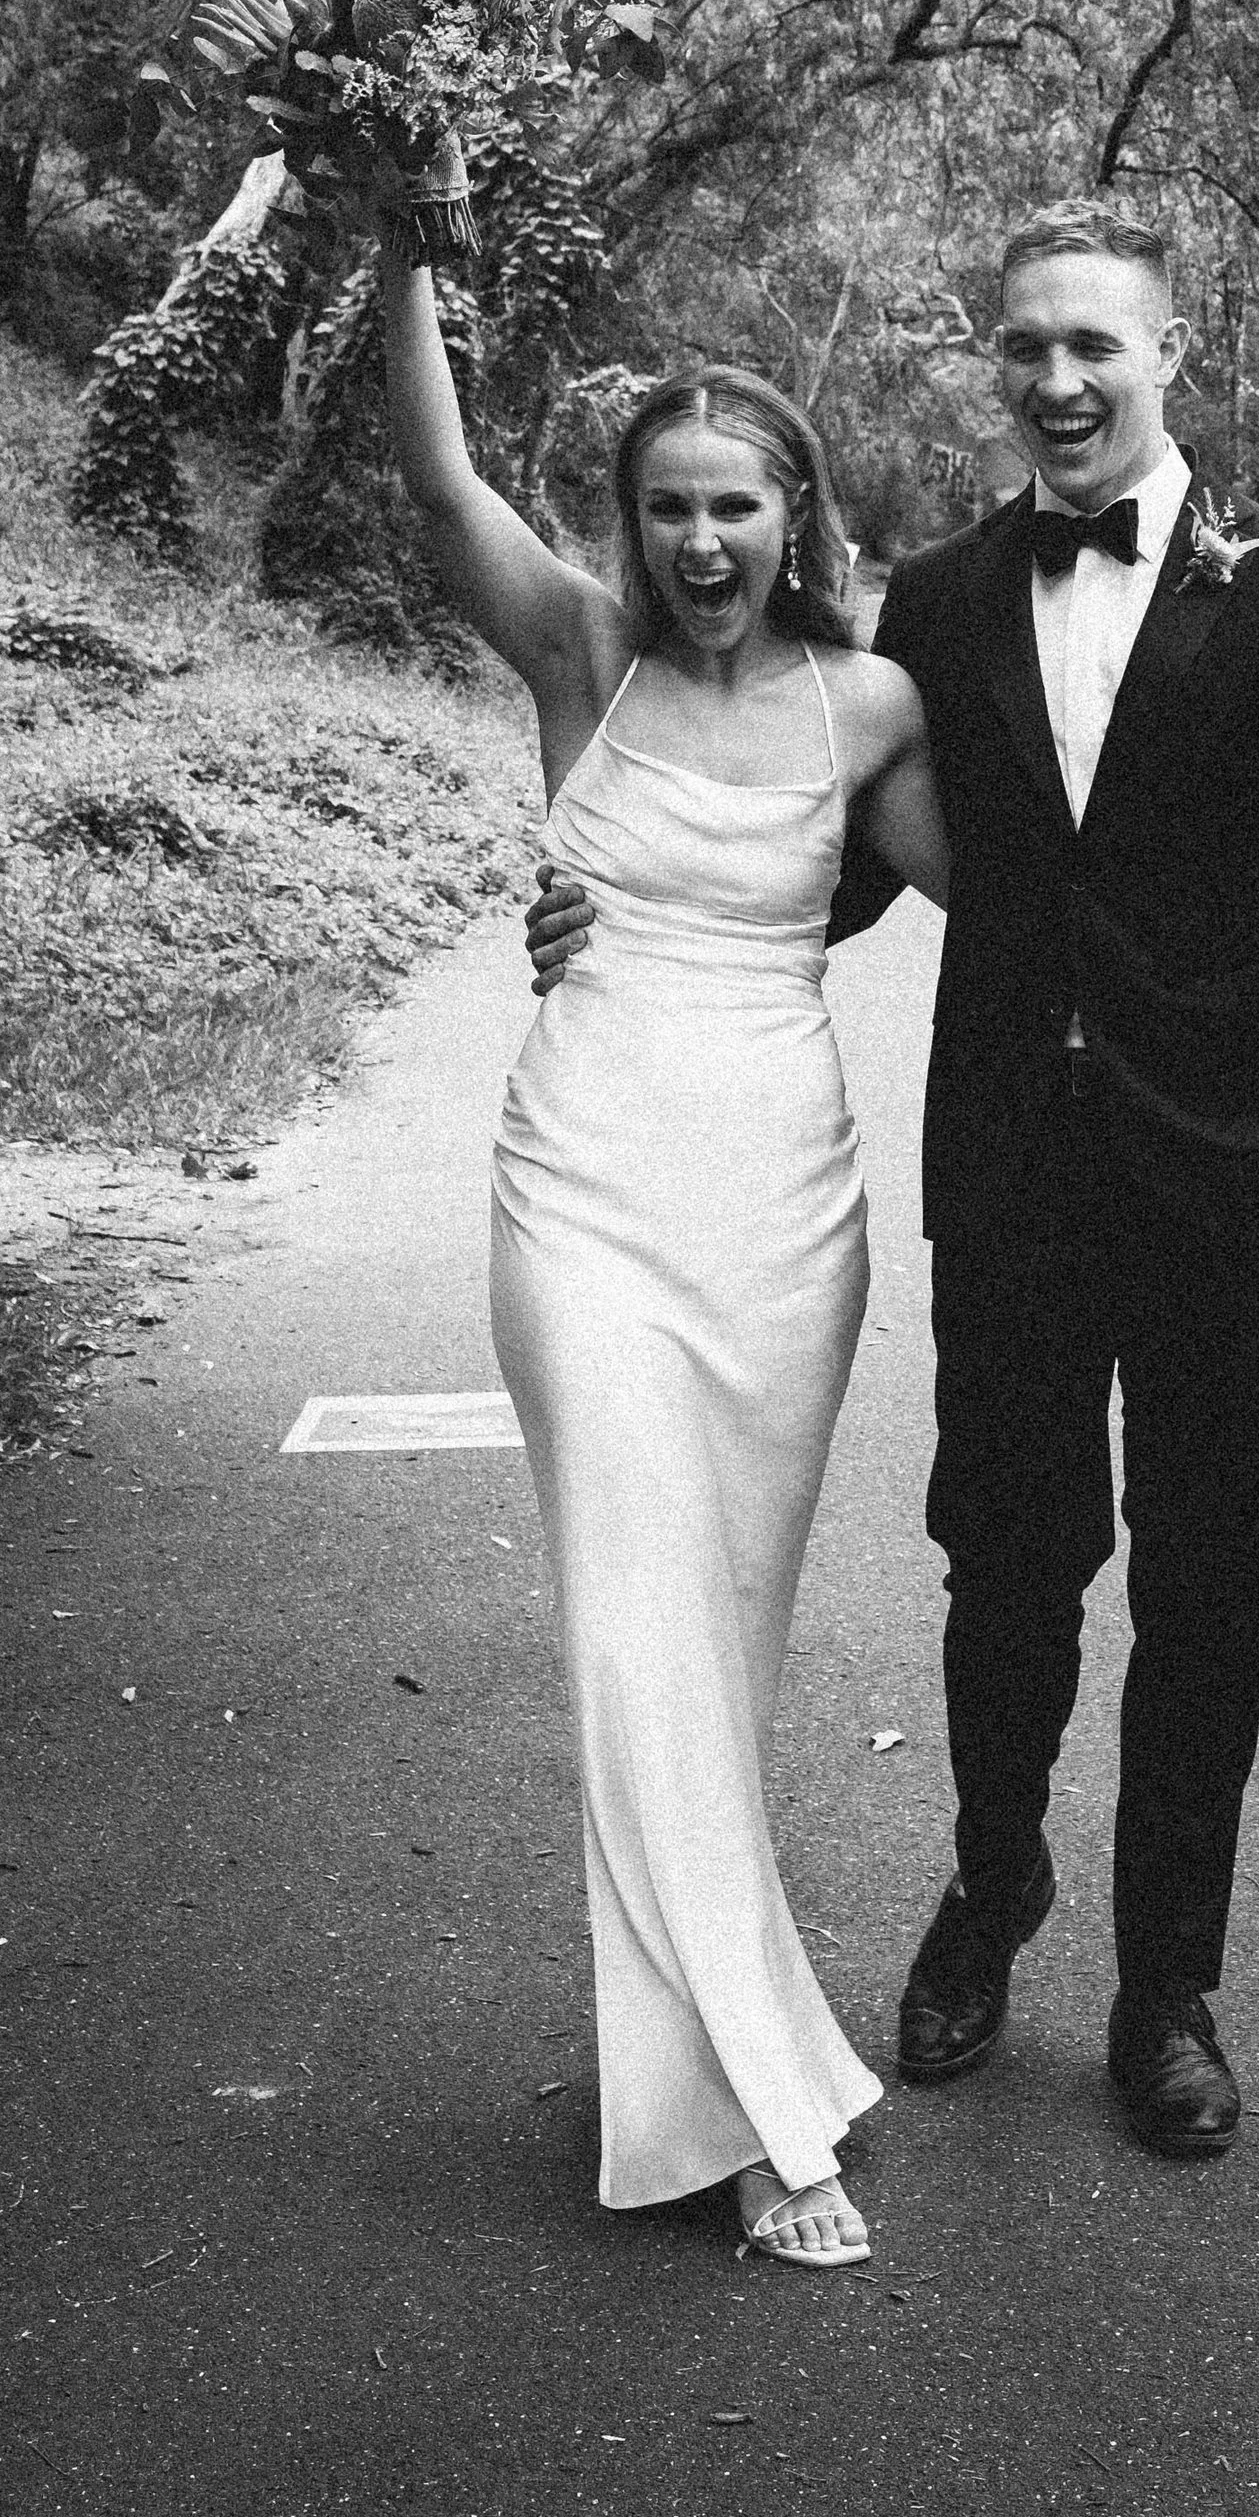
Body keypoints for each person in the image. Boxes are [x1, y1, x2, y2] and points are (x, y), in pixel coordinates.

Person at [532, 197, 1259, 2163]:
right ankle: (989, 1876)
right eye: (1024, 345)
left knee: (1203, 1580)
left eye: (1093, 343)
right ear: (992, 363)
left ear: (1169, 351)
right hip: (1010, 1157)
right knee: (1005, 1561)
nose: (1057, 378)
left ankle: (1164, 1980)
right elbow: (827, 844)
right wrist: (613, 896)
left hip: (1231, 1167)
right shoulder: (925, 597)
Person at [379, 249, 948, 2270]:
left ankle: (708, 2048)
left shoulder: (868, 697)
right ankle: (761, 2107)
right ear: (629, 515)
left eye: (739, 500)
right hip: (587, 1188)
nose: (702, 536)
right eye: (670, 499)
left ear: (798, 514)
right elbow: (441, 484)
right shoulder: (578, 651)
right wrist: (399, 222)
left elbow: (1024, 874)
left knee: (711, 1641)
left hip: (783, 1212)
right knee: (633, 1624)